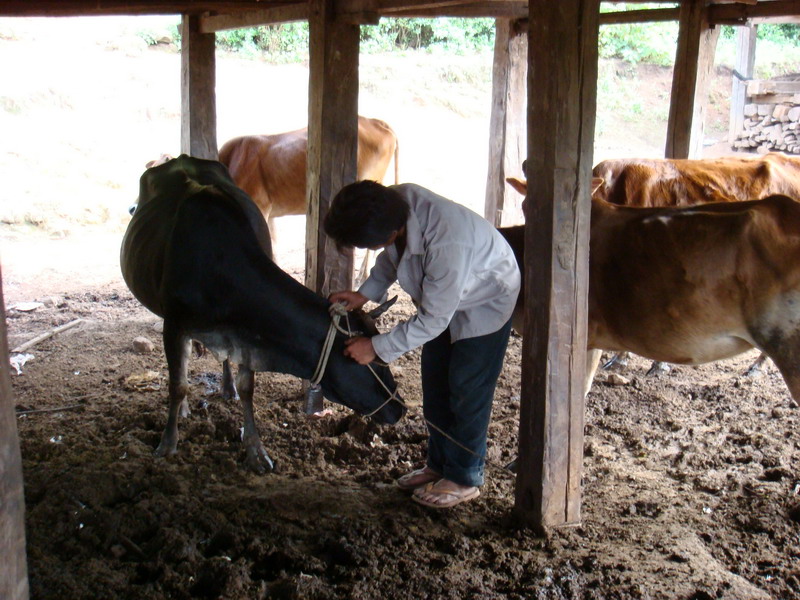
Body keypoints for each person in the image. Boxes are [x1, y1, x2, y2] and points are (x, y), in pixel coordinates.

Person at [324, 180, 520, 509]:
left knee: (467, 387)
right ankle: (440, 465)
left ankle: (464, 477)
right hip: (443, 297)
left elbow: (432, 320)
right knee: (435, 381)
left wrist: (375, 347)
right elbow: (392, 256)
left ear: (389, 232)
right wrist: (365, 293)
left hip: (485, 298)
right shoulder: (394, 204)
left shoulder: (447, 242)